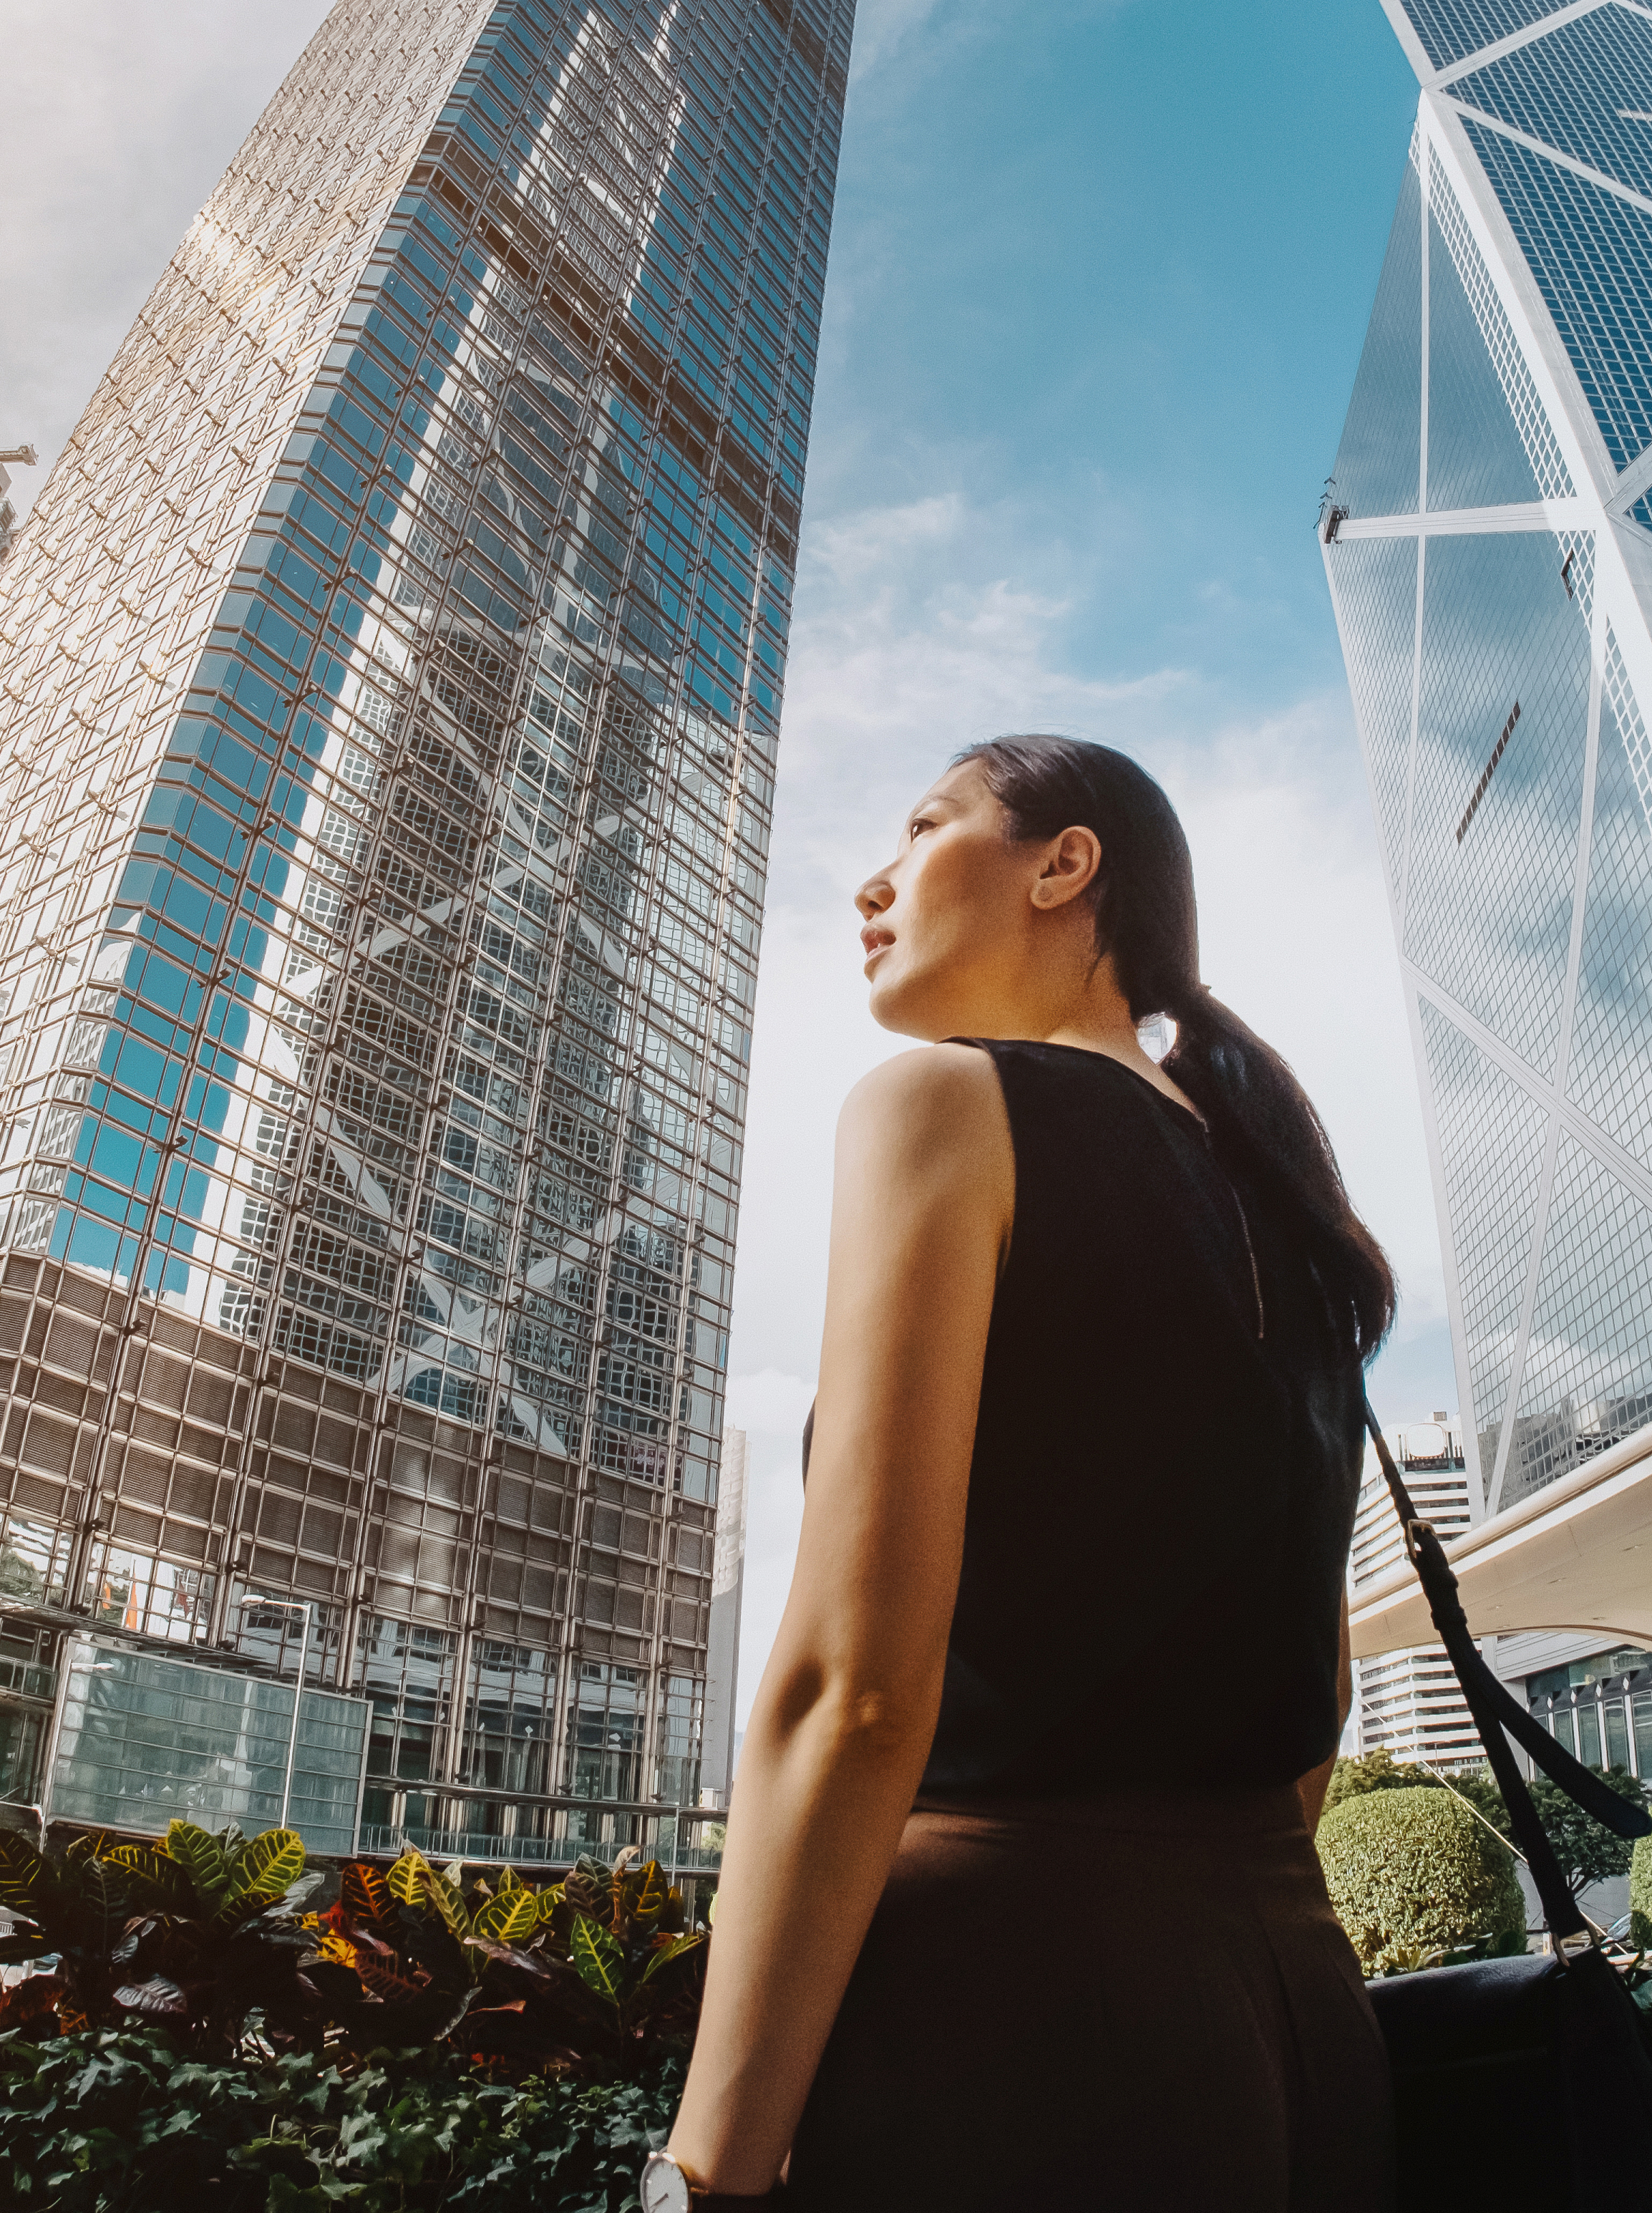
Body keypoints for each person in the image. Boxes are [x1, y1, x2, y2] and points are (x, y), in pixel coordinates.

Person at [647, 735, 1399, 2211]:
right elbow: (1319, 1708)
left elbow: (853, 1690)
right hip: (1302, 2026)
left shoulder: (939, 1105)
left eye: (925, 825)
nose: (872, 880)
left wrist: (708, 2178)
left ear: (1066, 863)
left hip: (1004, 2030)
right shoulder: (1304, 1229)